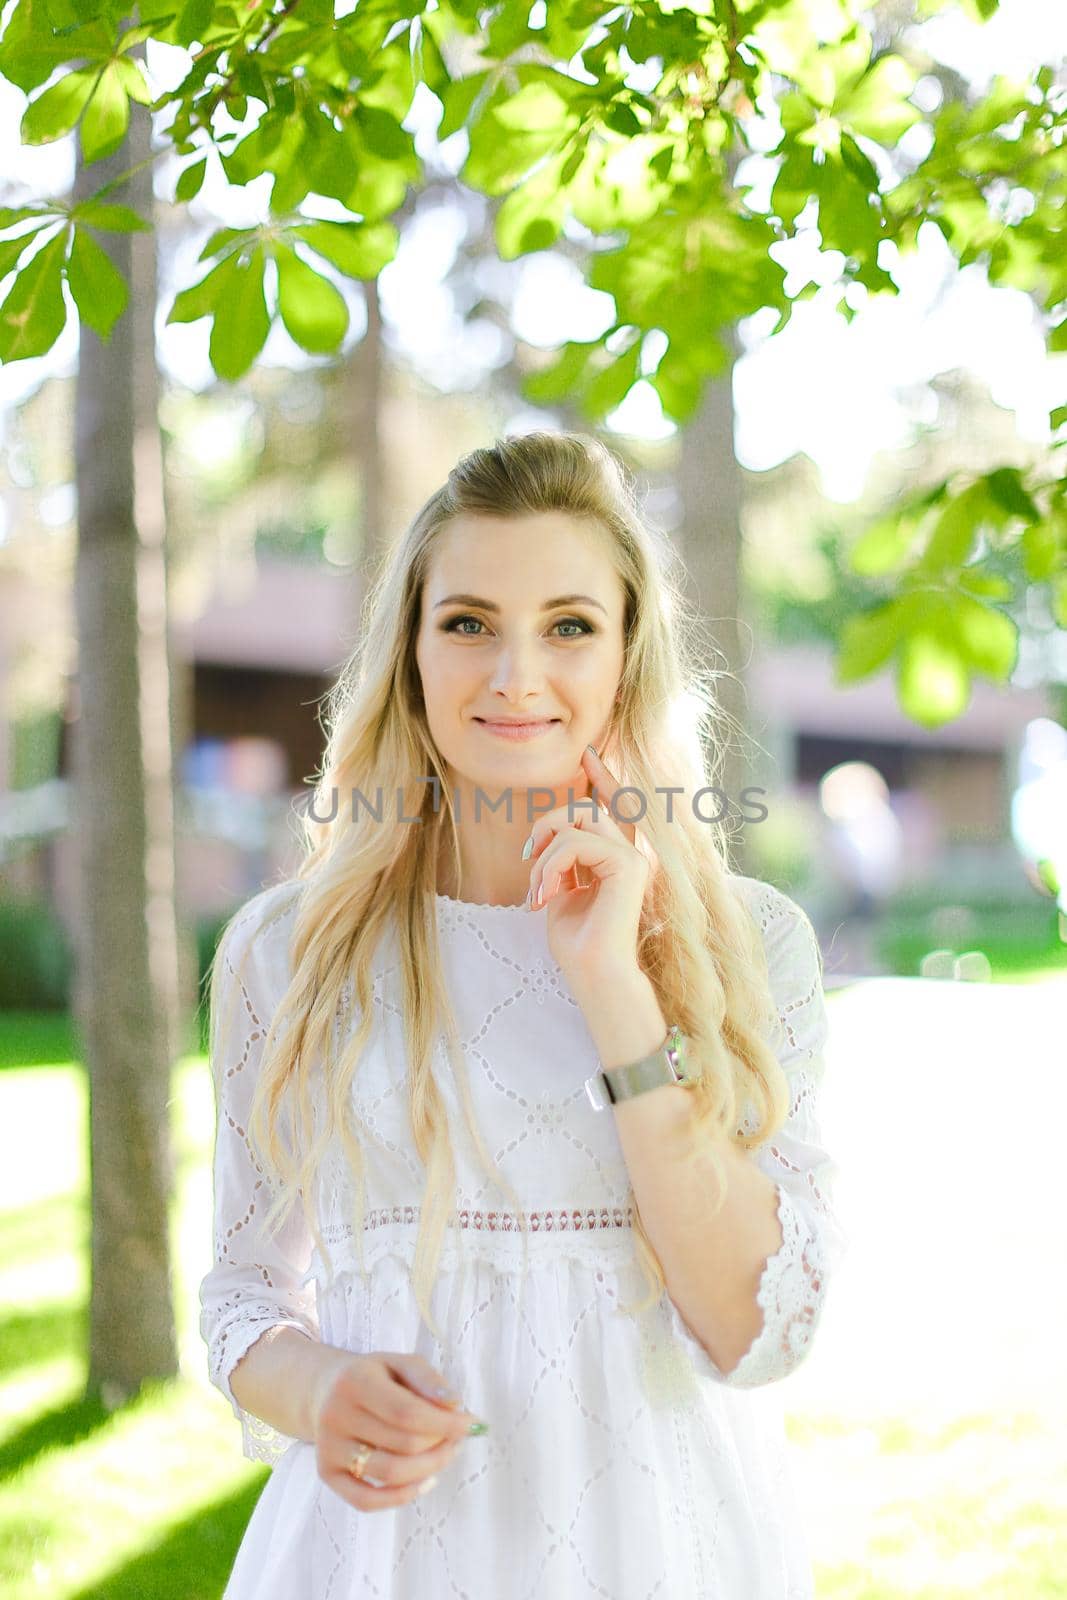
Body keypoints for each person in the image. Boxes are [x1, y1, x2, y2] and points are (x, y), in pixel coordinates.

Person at [199, 430, 849, 1598]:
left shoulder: (747, 945)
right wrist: (318, 1390)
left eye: (566, 624)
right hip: (376, 1558)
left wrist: (611, 985)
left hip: (666, 1542)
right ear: (407, 647)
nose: (513, 676)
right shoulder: (283, 951)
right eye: (466, 623)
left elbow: (760, 1331)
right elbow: (244, 1293)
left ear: (624, 654)